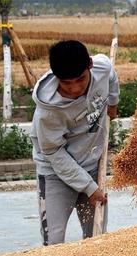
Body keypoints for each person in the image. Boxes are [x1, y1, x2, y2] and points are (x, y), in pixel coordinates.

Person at [30, 40, 119, 245]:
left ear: (89, 64)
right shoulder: (48, 111)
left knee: (95, 238)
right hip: (55, 173)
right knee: (54, 240)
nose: (75, 88)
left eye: (80, 79)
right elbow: (54, 154)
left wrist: (113, 103)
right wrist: (89, 187)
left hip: (93, 165)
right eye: (66, 83)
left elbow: (112, 77)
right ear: (55, 76)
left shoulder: (102, 66)